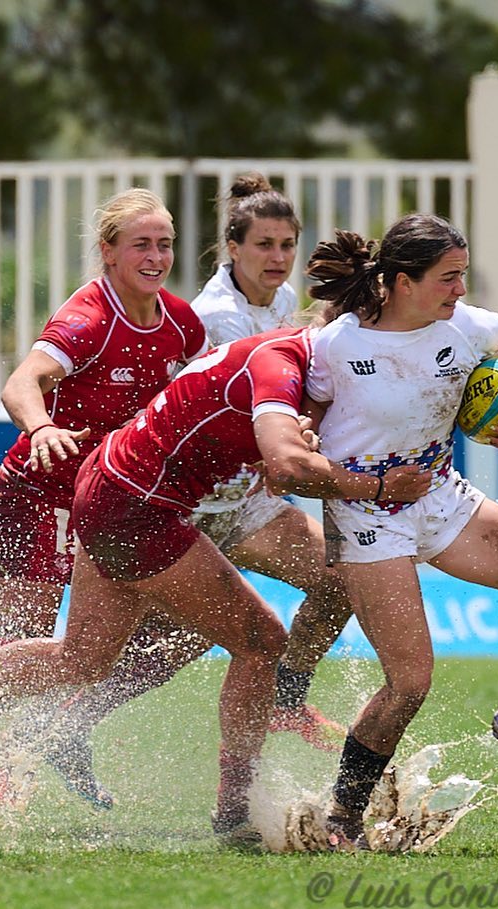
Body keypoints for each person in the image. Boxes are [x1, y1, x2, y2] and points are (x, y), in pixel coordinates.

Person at [0, 325, 432, 846]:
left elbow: (244, 436)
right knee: (261, 642)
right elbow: (286, 467)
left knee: (82, 659)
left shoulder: (281, 351)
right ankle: (235, 810)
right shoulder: (283, 363)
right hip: (140, 509)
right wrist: (379, 485)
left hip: (110, 481)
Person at [31, 174, 351, 808]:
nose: (278, 257)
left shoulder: (284, 301)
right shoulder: (211, 318)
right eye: (263, 244)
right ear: (232, 248)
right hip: (192, 502)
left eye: (287, 244)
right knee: (160, 645)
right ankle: (61, 724)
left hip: (243, 497)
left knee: (333, 580)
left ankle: (284, 700)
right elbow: (189, 408)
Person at [304, 216, 498, 850]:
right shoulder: (335, 345)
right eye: (448, 277)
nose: (461, 288)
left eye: (462, 274)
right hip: (364, 512)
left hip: (438, 493)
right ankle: (342, 816)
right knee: (410, 683)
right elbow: (305, 418)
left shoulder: (471, 327)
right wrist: (309, 446)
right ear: (402, 281)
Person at [0, 187, 208, 653]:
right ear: (108, 251)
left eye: (164, 244)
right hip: (39, 498)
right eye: (141, 245)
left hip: (117, 507)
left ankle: (87, 704)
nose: (156, 257)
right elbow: (20, 384)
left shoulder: (181, 322)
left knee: (185, 630)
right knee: (13, 659)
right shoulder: (88, 320)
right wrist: (42, 429)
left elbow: (210, 396)